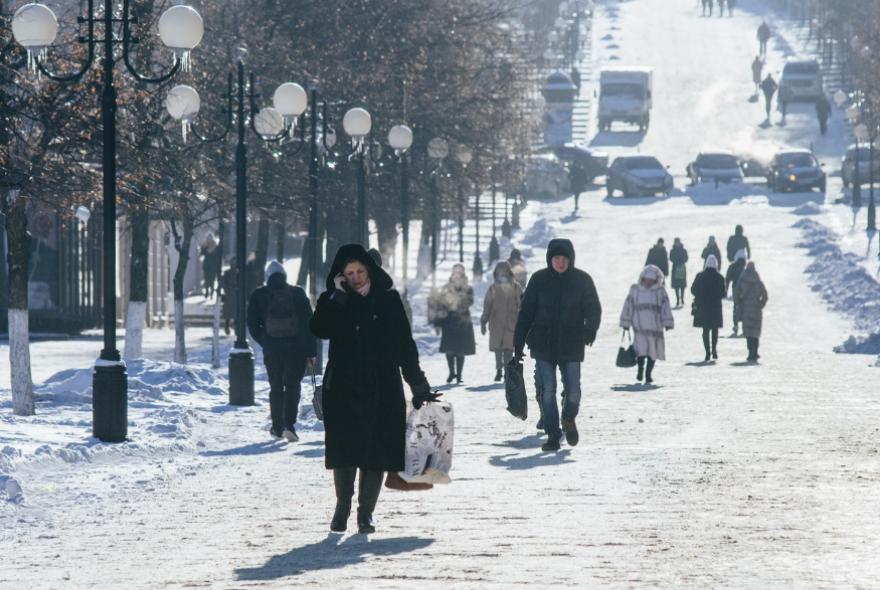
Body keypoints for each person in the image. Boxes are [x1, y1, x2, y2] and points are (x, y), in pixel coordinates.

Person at [309, 244, 436, 535]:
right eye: (349, 273)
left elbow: (405, 346)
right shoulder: (334, 299)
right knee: (345, 450)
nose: (354, 278)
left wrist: (417, 384)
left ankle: (365, 514)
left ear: (371, 271)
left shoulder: (388, 301)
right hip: (343, 386)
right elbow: (318, 328)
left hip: (383, 386)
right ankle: (342, 507)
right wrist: (338, 296)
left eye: (360, 272)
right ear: (341, 275)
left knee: (376, 452)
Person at [514, 238, 602, 452]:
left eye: (564, 259)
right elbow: (526, 313)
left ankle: (569, 418)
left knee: (573, 390)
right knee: (548, 390)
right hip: (543, 345)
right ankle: (553, 434)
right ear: (550, 259)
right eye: (556, 258)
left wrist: (590, 329)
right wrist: (518, 343)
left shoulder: (582, 280)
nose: (560, 263)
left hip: (572, 343)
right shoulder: (538, 280)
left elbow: (593, 308)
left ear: (570, 259)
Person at [247, 261, 316, 442]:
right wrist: (310, 351)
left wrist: (265, 340)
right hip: (297, 348)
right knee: (293, 385)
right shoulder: (297, 293)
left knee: (276, 386)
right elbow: (310, 324)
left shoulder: (259, 295)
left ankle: (277, 426)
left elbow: (252, 323)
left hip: (272, 349)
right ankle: (289, 425)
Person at [619, 265, 674, 384]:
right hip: (639, 327)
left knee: (653, 352)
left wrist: (667, 322)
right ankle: (640, 370)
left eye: (651, 280)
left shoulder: (660, 291)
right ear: (642, 279)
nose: (648, 282)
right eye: (646, 280)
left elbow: (666, 308)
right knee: (641, 351)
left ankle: (648, 374)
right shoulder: (635, 290)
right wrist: (626, 322)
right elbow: (628, 306)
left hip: (655, 327)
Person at [430, 263, 476, 384]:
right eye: (455, 272)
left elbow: (469, 302)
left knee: (461, 350)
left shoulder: (468, 289)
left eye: (459, 273)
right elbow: (440, 306)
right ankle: (451, 372)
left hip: (462, 321)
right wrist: (437, 324)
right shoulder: (445, 288)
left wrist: (459, 299)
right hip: (448, 321)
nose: (457, 275)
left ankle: (459, 375)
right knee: (449, 349)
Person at [481, 261, 523, 382]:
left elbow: (521, 305)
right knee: (498, 349)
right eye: (500, 270)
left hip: (511, 323)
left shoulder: (515, 287)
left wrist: (522, 321)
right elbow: (487, 305)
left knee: (509, 349)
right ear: (496, 272)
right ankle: (499, 370)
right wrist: (484, 321)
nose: (502, 273)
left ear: (509, 272)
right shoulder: (493, 288)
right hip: (496, 323)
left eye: (504, 270)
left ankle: (507, 372)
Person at [691, 255, 726, 362]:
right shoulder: (720, 277)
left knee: (705, 330)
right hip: (715, 307)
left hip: (703, 307)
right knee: (715, 330)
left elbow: (693, 290)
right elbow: (723, 293)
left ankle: (707, 352)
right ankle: (714, 350)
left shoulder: (700, 276)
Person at [734, 261, 768, 362]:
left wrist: (738, 303)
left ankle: (750, 353)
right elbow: (765, 296)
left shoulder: (742, 280)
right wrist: (760, 304)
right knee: (755, 332)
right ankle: (755, 352)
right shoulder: (758, 282)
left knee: (748, 332)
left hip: (746, 309)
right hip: (756, 310)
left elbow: (736, 294)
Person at [726, 248, 748, 334]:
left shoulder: (732, 267)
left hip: (735, 289)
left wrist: (726, 289)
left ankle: (735, 325)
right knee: (744, 308)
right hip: (745, 290)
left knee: (736, 307)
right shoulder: (745, 267)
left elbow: (728, 279)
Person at [669, 238, 689, 307]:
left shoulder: (683, 250)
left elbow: (686, 258)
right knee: (676, 285)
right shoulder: (672, 250)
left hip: (682, 267)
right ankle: (677, 300)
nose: (677, 243)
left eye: (678, 242)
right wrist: (676, 261)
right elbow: (671, 258)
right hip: (675, 268)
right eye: (676, 242)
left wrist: (681, 261)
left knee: (682, 285)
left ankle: (682, 299)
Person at [200, 234, 221, 299]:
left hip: (213, 266)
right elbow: (201, 254)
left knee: (211, 280)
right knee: (207, 280)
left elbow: (217, 257)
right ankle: (207, 292)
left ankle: (211, 293)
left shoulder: (215, 247)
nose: (209, 241)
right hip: (207, 266)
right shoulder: (205, 246)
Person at [221, 260, 237, 335]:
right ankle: (227, 326)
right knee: (228, 313)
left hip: (236, 294)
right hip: (229, 295)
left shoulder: (238, 273)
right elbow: (223, 282)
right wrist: (227, 289)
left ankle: (236, 327)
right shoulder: (227, 273)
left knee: (236, 312)